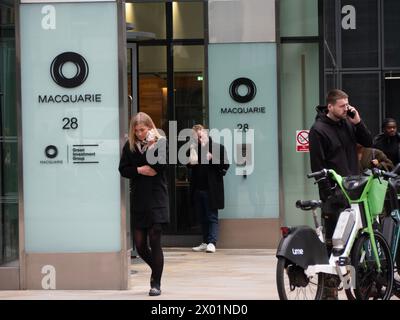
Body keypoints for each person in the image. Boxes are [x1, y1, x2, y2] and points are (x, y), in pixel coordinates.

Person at [309, 89, 373, 299]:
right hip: (335, 197)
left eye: (348, 105)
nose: (347, 109)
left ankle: (356, 288)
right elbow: (317, 166)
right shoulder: (318, 130)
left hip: (355, 193)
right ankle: (329, 293)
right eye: (342, 106)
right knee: (335, 247)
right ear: (330, 106)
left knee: (356, 245)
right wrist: (329, 196)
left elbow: (368, 142)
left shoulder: (347, 123)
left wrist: (357, 121)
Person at [118, 112, 169, 296]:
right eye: (136, 130)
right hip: (139, 198)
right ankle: (157, 267)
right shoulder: (130, 147)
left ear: (150, 128)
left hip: (157, 197)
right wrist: (139, 170)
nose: (139, 134)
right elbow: (123, 169)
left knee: (155, 238)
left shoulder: (160, 142)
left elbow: (160, 168)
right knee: (140, 244)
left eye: (143, 130)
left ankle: (156, 282)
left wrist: (151, 146)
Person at [188, 124, 229, 253]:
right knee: (202, 217)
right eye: (196, 137)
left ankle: (212, 242)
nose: (199, 139)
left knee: (212, 216)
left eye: (200, 136)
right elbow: (188, 165)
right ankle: (205, 242)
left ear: (206, 133)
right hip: (198, 189)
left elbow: (225, 165)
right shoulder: (194, 148)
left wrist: (212, 158)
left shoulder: (217, 148)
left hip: (211, 189)